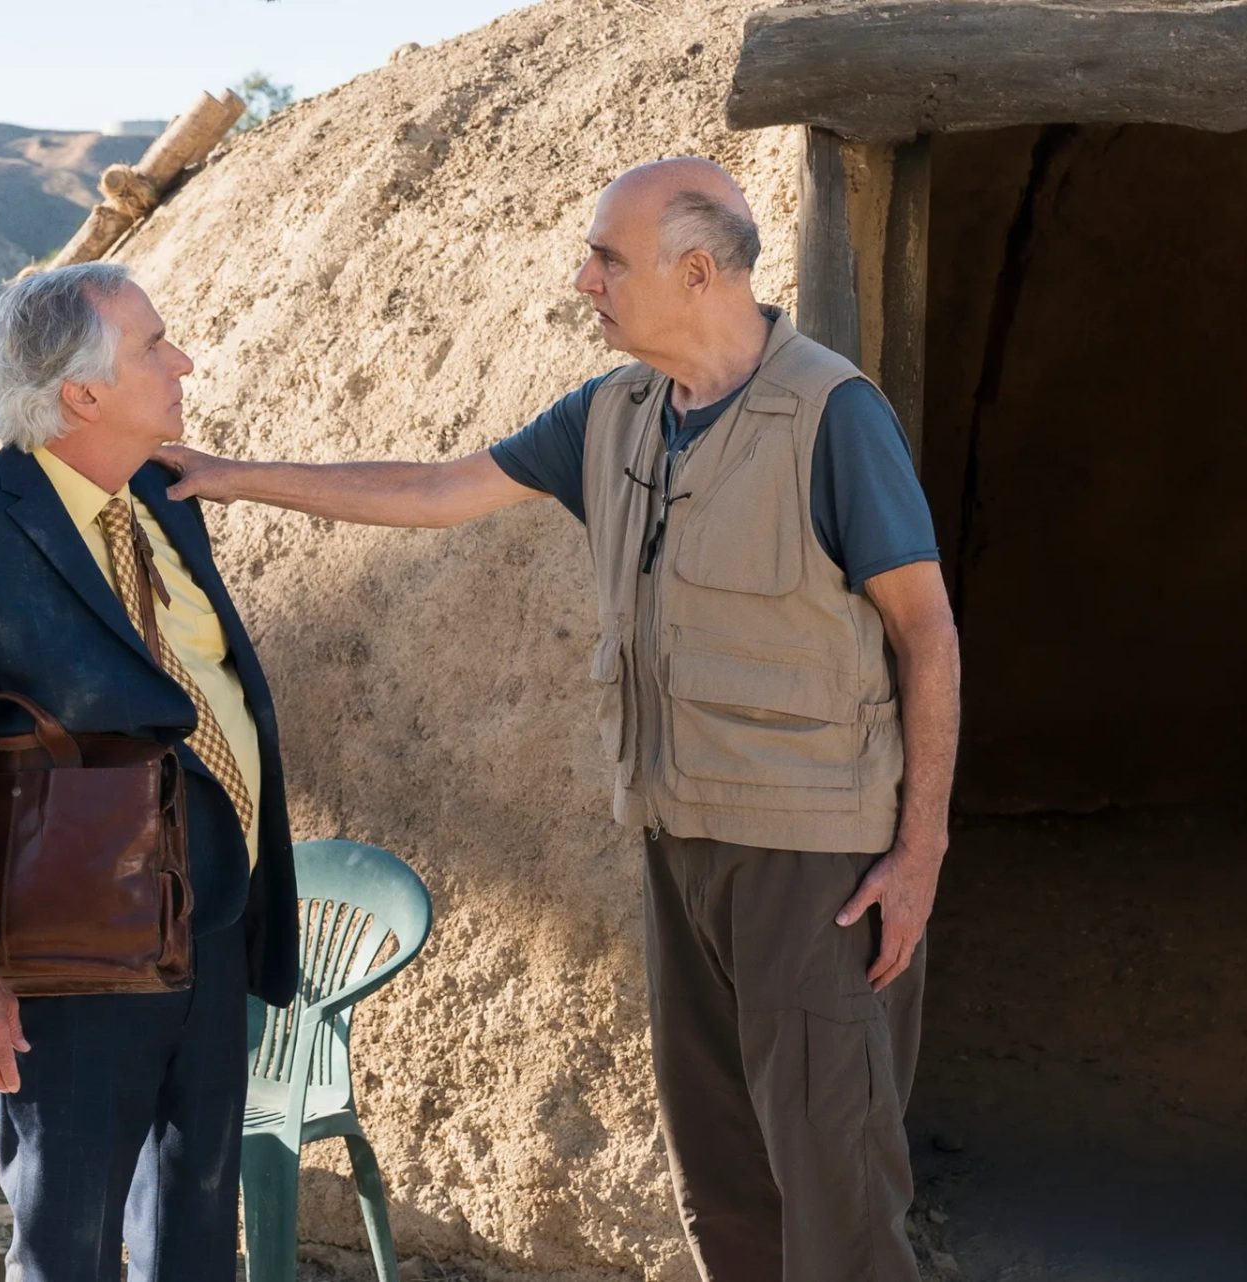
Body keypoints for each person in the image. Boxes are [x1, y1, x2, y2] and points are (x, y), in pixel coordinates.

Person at [159, 158, 961, 1281]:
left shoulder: (833, 416)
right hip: (680, 845)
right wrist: (237, 477)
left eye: (606, 258)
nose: (583, 279)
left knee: (837, 1182)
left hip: (816, 860)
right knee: (722, 1178)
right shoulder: (614, 414)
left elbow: (928, 633)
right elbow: (438, 492)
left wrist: (919, 849)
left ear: (696, 271)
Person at [0, 262, 299, 1282]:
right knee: (68, 1235)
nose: (183, 361)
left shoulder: (164, 495)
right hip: (73, 952)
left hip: (217, 920)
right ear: (82, 393)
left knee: (197, 1228)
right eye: (155, 346)